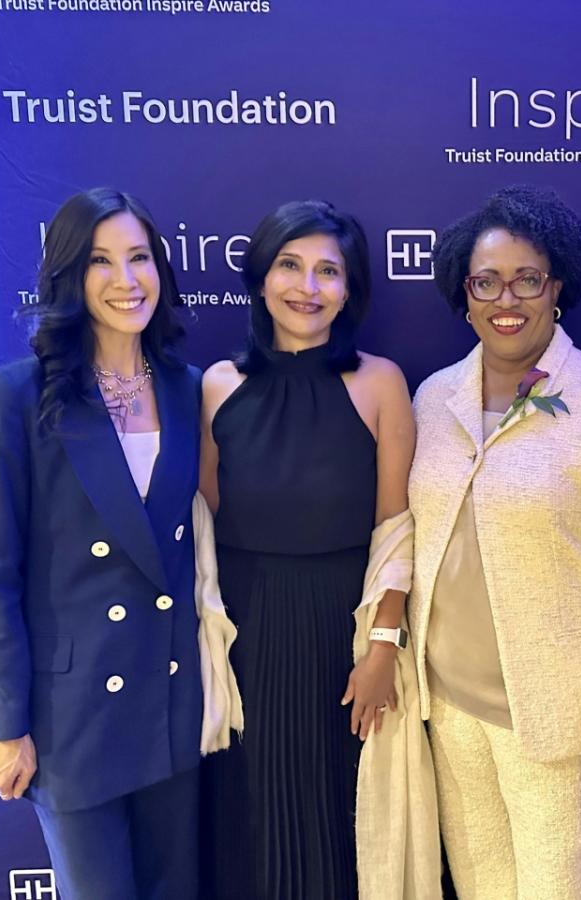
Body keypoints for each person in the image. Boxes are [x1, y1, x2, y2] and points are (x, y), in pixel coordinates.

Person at [408, 185, 581, 900]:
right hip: (451, 715)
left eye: (528, 279)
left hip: (558, 722)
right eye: (487, 281)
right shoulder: (432, 399)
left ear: (556, 287)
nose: (508, 298)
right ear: (463, 295)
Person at [0, 187, 240, 900]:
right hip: (72, 716)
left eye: (140, 257)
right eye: (100, 261)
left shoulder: (189, 390)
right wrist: (6, 725)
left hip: (171, 700)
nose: (126, 280)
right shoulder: (17, 396)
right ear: (68, 275)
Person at [198, 200, 427, 899]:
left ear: (351, 288)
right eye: (291, 266)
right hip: (243, 637)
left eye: (329, 270)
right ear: (261, 279)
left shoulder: (380, 382)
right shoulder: (216, 386)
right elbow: (195, 523)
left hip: (343, 634)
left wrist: (382, 648)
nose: (309, 286)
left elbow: (397, 527)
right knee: (252, 818)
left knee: (340, 821)